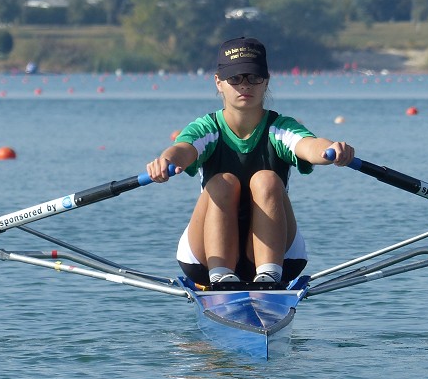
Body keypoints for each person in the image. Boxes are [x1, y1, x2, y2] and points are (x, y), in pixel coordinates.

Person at [146, 36, 355, 286]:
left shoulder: (280, 128)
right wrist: (165, 160)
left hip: (281, 257)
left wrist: (330, 149)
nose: (245, 85)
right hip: (204, 259)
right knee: (223, 182)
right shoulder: (207, 128)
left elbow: (309, 145)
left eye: (253, 77)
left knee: (266, 179)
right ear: (219, 82)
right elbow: (183, 150)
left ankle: (268, 276)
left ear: (266, 81)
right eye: (235, 78)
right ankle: (221, 276)